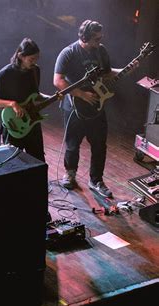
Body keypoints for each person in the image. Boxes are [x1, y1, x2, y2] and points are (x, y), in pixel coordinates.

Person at [53, 19, 124, 198]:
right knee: (72, 144)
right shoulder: (68, 53)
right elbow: (58, 80)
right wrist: (82, 94)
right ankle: (70, 174)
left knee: (100, 145)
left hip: (97, 105)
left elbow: (106, 73)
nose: (99, 42)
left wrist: (125, 70)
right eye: (96, 39)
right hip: (74, 106)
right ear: (84, 37)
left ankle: (96, 180)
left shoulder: (101, 51)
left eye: (100, 38)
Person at [0, 37, 49, 162]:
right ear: (20, 56)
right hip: (13, 123)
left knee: (38, 161)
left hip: (33, 121)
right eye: (31, 59)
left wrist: (50, 97)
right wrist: (12, 104)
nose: (34, 62)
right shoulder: (5, 73)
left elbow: (35, 95)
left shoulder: (35, 71)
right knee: (14, 163)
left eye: (36, 58)